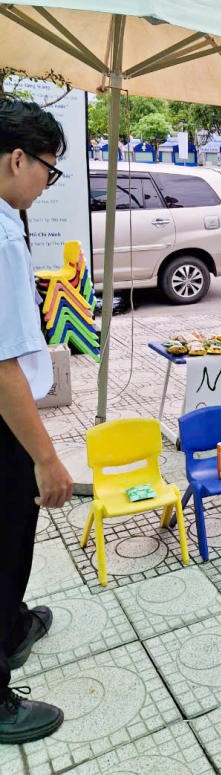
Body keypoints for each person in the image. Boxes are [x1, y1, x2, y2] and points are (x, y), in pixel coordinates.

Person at [0, 99, 74, 744]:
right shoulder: (0, 234)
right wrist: (47, 457)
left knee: (14, 535)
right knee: (5, 537)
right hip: (3, 419)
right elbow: (2, 370)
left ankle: (13, 625)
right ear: (17, 159)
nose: (47, 185)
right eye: (48, 170)